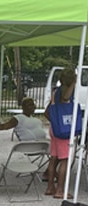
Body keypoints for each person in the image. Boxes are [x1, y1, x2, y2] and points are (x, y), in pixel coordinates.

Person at [44, 68, 78, 199]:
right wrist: (74, 84)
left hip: (55, 129)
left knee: (54, 158)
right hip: (64, 130)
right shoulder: (65, 91)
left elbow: (47, 111)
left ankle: (50, 187)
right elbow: (66, 97)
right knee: (65, 159)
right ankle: (60, 190)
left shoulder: (55, 91)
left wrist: (55, 121)